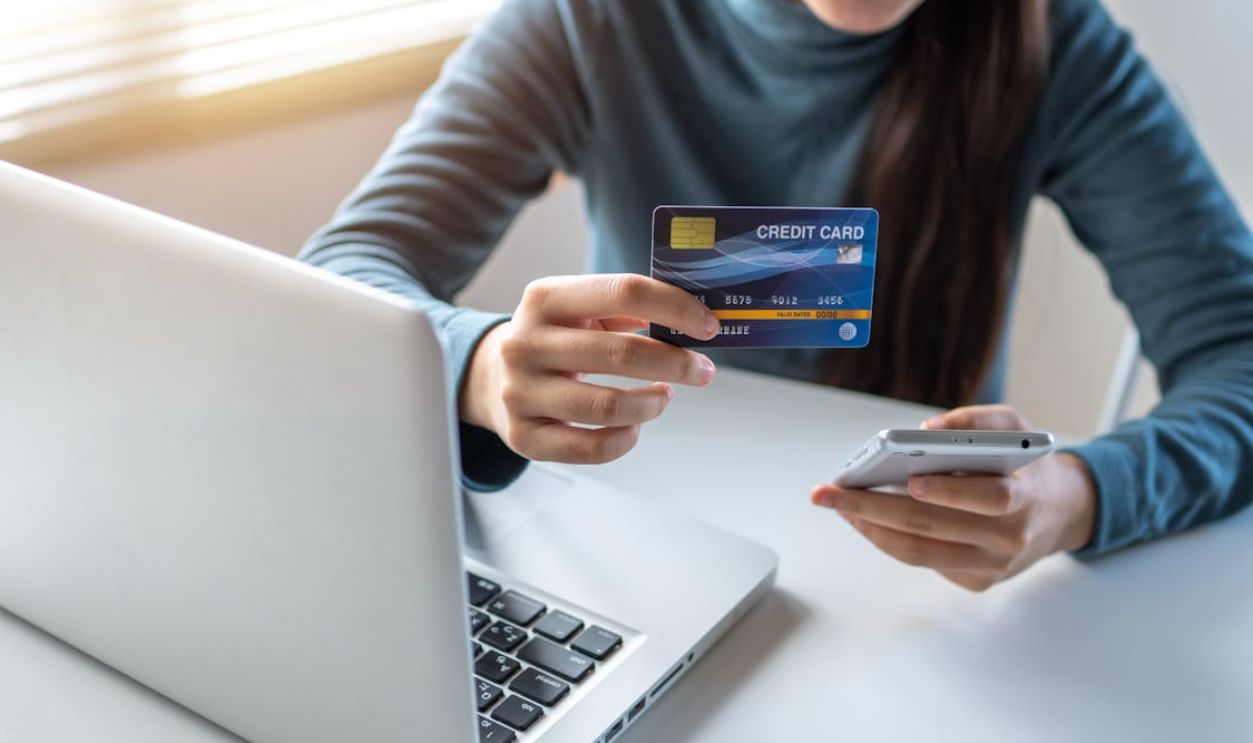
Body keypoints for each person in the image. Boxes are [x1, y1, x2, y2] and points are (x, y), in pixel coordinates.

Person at [300, 0, 1253, 591]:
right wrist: (479, 363)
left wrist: (1079, 493)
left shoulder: (1057, 43)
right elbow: (341, 272)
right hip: (629, 550)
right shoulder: (585, 19)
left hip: (910, 596)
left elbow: (1239, 351)